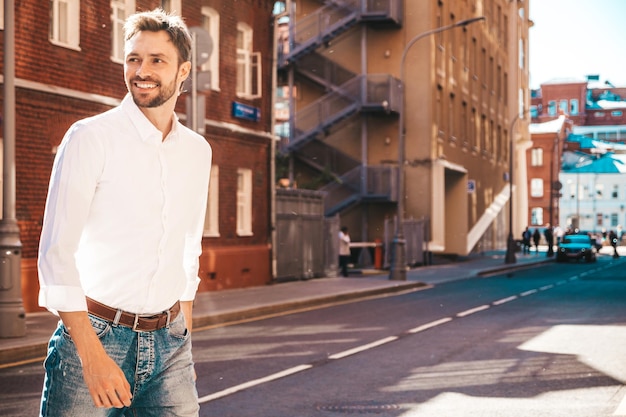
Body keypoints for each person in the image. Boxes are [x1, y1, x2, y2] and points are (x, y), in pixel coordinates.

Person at [37, 9, 212, 416]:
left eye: (157, 60)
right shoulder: (90, 138)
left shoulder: (197, 151)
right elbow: (56, 253)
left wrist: (183, 332)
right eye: (133, 58)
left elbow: (188, 245)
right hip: (96, 335)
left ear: (183, 70)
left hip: (170, 343)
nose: (141, 71)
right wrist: (91, 356)